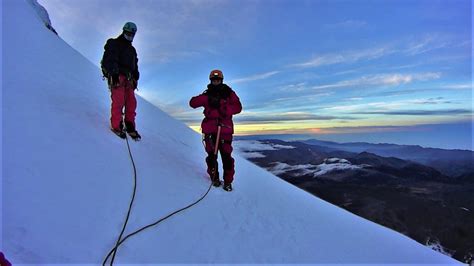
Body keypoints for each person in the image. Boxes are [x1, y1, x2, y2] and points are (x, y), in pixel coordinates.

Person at [190, 70, 242, 191]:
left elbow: (238, 107)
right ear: (211, 81)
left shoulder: (229, 93)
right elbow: (192, 103)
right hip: (210, 130)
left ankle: (228, 182)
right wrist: (207, 99)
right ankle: (215, 178)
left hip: (225, 130)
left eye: (218, 80)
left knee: (227, 158)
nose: (216, 82)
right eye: (214, 80)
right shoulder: (207, 94)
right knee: (212, 157)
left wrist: (224, 107)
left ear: (221, 80)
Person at [101, 22, 141, 140]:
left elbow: (135, 66)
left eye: (132, 34)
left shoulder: (132, 50)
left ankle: (130, 126)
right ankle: (117, 125)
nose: (130, 36)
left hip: (129, 79)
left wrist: (136, 77)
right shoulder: (114, 43)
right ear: (123, 31)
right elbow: (109, 58)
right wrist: (113, 73)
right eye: (128, 33)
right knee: (118, 101)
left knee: (131, 103)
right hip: (118, 76)